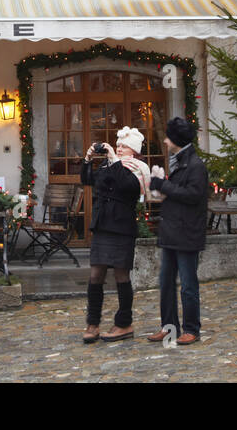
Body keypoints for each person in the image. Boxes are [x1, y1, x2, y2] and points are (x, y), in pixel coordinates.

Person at [80, 126, 152, 343]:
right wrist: (87, 159)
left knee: (121, 276)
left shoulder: (138, 168)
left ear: (134, 150)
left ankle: (124, 323)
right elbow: (88, 181)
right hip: (103, 226)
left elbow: (127, 186)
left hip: (122, 227)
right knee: (95, 276)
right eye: (118, 145)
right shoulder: (108, 165)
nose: (119, 149)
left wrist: (114, 160)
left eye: (124, 146)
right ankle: (92, 324)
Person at [147, 117, 208, 346]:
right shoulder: (180, 162)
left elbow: (193, 195)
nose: (164, 141)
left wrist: (162, 185)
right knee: (166, 283)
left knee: (188, 285)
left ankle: (192, 328)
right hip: (172, 232)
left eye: (167, 137)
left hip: (187, 233)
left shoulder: (195, 165)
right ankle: (169, 326)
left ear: (176, 140)